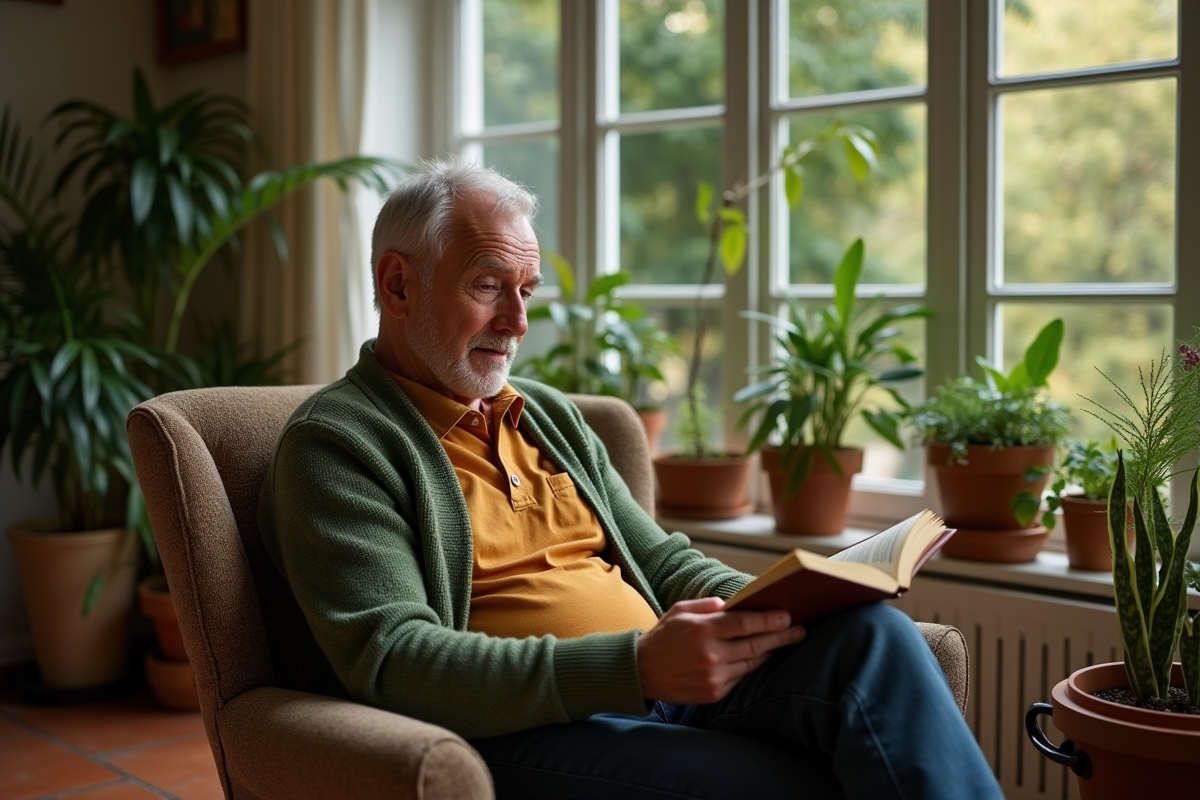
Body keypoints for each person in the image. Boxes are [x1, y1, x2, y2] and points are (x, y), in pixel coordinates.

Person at [258, 158, 1002, 799]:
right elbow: (396, 659)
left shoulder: (545, 414)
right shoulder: (339, 445)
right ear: (398, 285)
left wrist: (793, 597)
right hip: (525, 730)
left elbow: (664, 562)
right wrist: (636, 668)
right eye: (488, 285)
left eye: (527, 290)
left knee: (872, 634)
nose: (518, 322)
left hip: (665, 686)